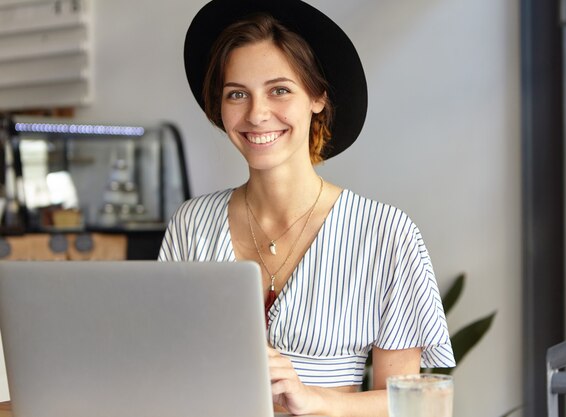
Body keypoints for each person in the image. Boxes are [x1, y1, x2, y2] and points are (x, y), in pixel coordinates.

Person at [159, 0, 455, 415]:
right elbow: (165, 372)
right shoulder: (191, 225)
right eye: (236, 94)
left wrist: (313, 397)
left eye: (279, 90)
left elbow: (410, 405)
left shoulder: (386, 233)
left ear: (317, 97)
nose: (257, 114)